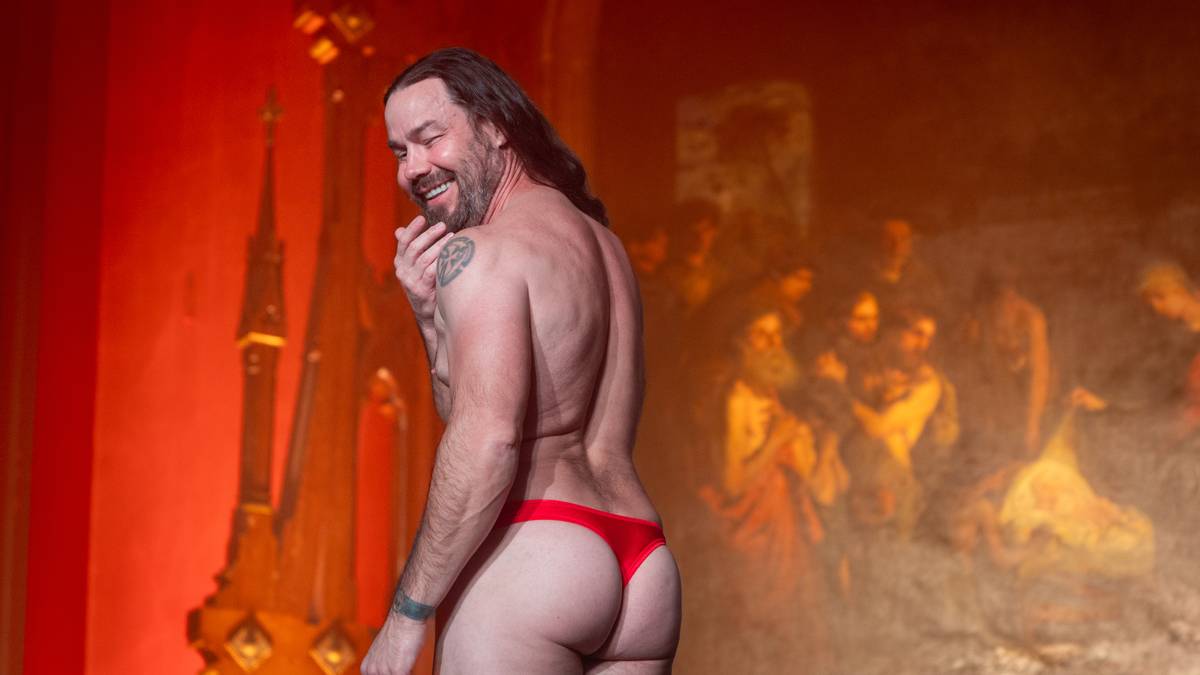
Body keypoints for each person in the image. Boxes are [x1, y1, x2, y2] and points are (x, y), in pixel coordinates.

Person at [363, 48, 681, 674]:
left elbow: (487, 441)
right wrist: (429, 318)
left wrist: (406, 618)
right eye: (400, 152)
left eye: (430, 138)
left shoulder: (485, 251)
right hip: (642, 563)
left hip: (538, 548)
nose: (413, 169)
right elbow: (486, 405)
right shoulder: (605, 245)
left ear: (494, 126)